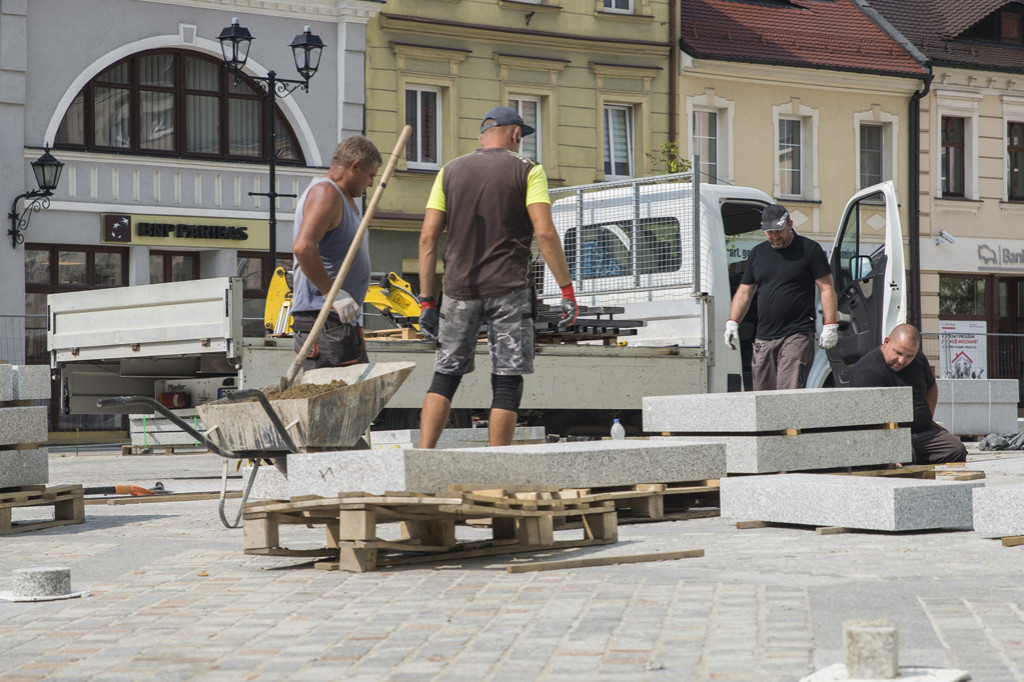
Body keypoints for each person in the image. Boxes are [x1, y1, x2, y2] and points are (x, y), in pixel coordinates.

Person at [416, 106, 578, 448]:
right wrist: (566, 289)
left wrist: (428, 300)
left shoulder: (448, 171)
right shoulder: (529, 170)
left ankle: (423, 455)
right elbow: (545, 233)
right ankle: (497, 464)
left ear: (482, 137)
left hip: (458, 290)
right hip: (509, 290)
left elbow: (428, 237)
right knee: (506, 380)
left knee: (445, 375)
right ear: (516, 134)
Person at [290, 135, 382, 369]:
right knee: (334, 400)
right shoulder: (326, 194)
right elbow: (303, 247)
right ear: (355, 166)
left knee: (355, 399)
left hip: (338, 320)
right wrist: (332, 293)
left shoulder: (343, 198)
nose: (371, 183)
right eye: (370, 175)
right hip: (323, 318)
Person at [724, 204, 838, 390]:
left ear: (790, 224)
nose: (775, 236)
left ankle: (790, 421)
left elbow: (826, 288)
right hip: (763, 337)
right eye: (769, 232)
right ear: (762, 228)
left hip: (797, 334)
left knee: (787, 393)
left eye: (779, 231)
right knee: (762, 396)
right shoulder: (757, 253)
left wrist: (830, 325)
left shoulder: (809, 249)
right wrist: (733, 322)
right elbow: (745, 291)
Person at [850, 323, 967, 464]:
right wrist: (886, 449)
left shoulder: (919, 359)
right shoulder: (869, 371)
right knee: (905, 454)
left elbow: (931, 387)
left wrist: (928, 417)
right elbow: (867, 420)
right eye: (898, 353)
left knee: (956, 450)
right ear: (886, 342)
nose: (902, 361)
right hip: (892, 435)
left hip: (923, 432)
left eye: (909, 356)